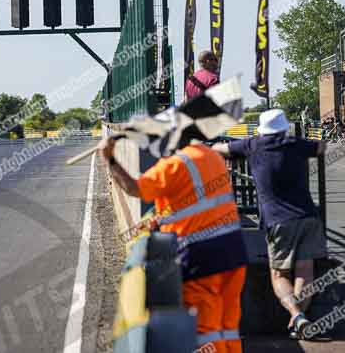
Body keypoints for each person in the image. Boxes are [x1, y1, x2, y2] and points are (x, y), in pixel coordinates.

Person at [99, 137, 247, 353]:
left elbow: (135, 188)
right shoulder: (212, 156)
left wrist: (110, 158)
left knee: (205, 330)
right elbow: (196, 202)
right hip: (234, 252)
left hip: (200, 258)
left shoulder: (173, 165)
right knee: (228, 326)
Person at [213, 109, 327, 339]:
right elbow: (321, 147)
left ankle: (296, 315)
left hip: (278, 221)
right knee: (305, 271)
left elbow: (220, 149)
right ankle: (300, 324)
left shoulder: (253, 145)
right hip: (308, 216)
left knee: (279, 274)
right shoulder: (295, 143)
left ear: (262, 130)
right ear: (284, 127)